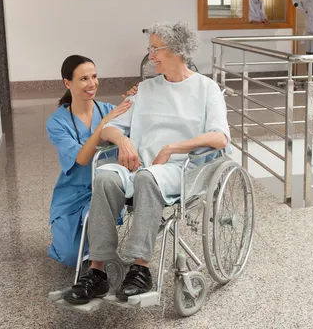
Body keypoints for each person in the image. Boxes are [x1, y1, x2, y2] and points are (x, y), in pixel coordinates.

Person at [63, 21, 230, 305]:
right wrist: (124, 142)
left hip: (182, 170)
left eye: (156, 49)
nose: (150, 56)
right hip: (139, 166)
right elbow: (108, 129)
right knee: (104, 176)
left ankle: (140, 268)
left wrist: (173, 147)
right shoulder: (145, 89)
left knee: (147, 178)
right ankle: (97, 271)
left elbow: (220, 137)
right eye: (149, 48)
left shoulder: (207, 89)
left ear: (177, 50)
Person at [46, 55, 134, 267]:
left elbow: (137, 126)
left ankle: (95, 245)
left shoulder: (107, 109)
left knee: (94, 234)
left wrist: (136, 97)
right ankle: (78, 240)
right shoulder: (57, 122)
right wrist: (104, 123)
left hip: (104, 189)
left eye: (94, 76)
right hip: (72, 193)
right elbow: (83, 158)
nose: (92, 83)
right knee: (69, 256)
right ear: (67, 83)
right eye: (83, 78)